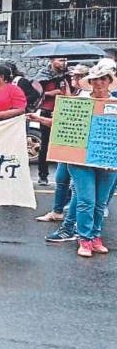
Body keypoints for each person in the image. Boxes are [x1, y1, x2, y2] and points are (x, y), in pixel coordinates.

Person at [42, 64, 117, 256]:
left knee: (100, 203)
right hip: (80, 160)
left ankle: (95, 236)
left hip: (107, 160)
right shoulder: (79, 101)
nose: (99, 83)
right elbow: (62, 123)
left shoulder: (115, 103)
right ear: (90, 82)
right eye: (95, 79)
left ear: (109, 81)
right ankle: (84, 239)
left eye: (103, 78)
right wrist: (40, 119)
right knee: (85, 201)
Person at [33, 64, 89, 223]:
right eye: (73, 76)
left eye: (76, 76)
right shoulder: (78, 93)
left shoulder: (86, 95)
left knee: (75, 184)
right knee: (62, 178)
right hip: (68, 142)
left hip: (78, 144)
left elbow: (70, 118)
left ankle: (70, 219)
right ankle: (58, 211)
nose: (73, 79)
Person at [34, 57, 70, 186]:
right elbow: (35, 93)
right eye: (60, 60)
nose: (63, 63)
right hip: (47, 111)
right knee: (45, 145)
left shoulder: (68, 75)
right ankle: (43, 175)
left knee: (65, 145)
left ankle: (66, 176)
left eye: (65, 60)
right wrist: (50, 93)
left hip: (65, 111)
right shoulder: (42, 75)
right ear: (52, 60)